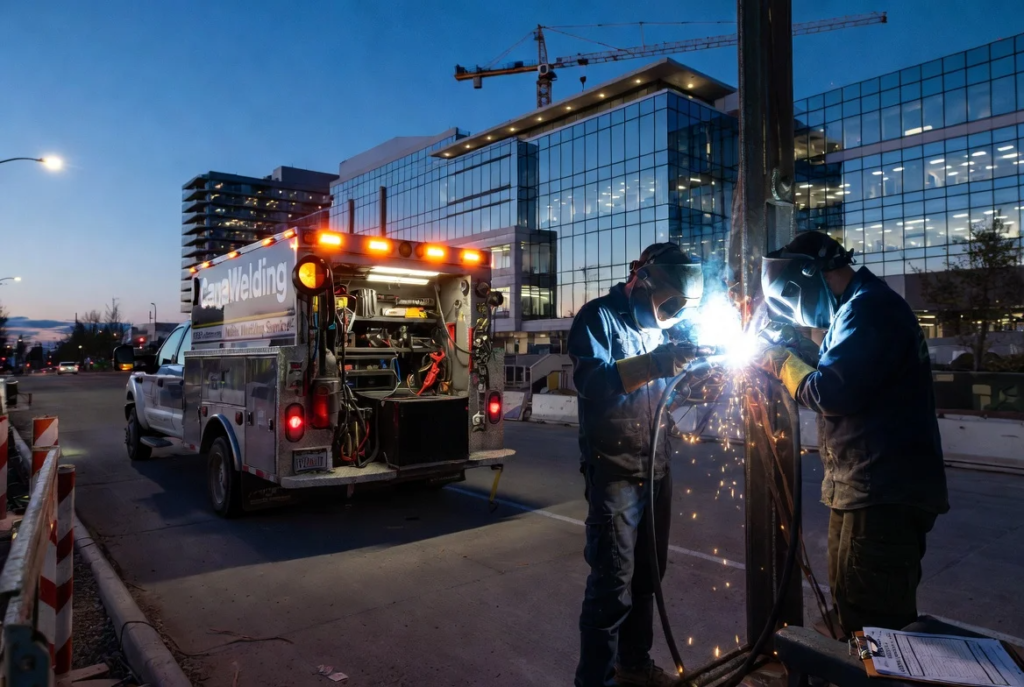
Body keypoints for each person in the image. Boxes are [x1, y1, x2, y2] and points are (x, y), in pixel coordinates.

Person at [757, 231, 948, 637]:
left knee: (875, 623)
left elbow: (831, 390)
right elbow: (839, 369)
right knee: (851, 603)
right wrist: (793, 343)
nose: (796, 310)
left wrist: (778, 361)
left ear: (811, 275)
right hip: (862, 487)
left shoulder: (870, 309)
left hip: (881, 492)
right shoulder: (855, 308)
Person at [569, 242, 704, 687]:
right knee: (612, 585)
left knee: (648, 577)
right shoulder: (598, 317)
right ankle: (596, 681)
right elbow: (592, 382)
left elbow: (666, 395)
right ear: (639, 279)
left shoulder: (663, 331)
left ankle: (634, 663)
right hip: (615, 474)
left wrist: (695, 383)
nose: (672, 314)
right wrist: (657, 362)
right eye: (669, 304)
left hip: (656, 469)